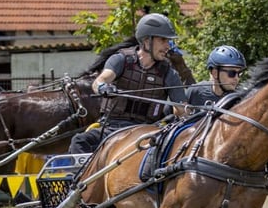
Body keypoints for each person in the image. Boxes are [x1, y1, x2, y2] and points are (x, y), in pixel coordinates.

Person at [68, 13, 188, 154]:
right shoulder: (121, 60)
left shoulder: (169, 73)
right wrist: (103, 87)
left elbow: (183, 109)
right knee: (80, 141)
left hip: (147, 133)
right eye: (163, 40)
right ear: (147, 41)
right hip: (112, 129)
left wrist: (182, 113)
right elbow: (99, 81)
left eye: (168, 41)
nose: (168, 46)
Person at [179, 45, 247, 109]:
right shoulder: (195, 91)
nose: (237, 78)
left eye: (239, 73)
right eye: (232, 73)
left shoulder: (237, 100)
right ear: (215, 73)